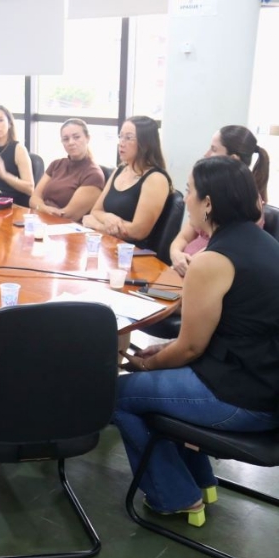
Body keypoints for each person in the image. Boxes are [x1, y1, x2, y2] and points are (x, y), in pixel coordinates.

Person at [117, 156, 279, 520]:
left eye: (189, 190)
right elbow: (225, 331)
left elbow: (191, 347)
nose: (185, 198)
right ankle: (202, 480)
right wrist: (164, 353)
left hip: (245, 398)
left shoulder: (213, 260)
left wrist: (149, 364)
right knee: (155, 382)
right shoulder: (262, 242)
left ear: (208, 203)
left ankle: (174, 496)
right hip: (263, 382)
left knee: (118, 395)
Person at [169, 125, 271, 276]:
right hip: (186, 270)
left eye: (214, 149)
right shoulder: (211, 193)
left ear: (233, 159)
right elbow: (184, 236)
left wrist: (189, 265)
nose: (206, 154)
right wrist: (176, 255)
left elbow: (224, 247)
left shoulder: (247, 202)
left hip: (205, 273)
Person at [83, 115, 172, 249]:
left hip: (134, 252)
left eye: (129, 138)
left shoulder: (156, 179)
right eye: (121, 136)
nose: (121, 143)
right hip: (109, 246)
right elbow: (96, 211)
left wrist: (97, 225)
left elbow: (138, 231)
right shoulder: (120, 170)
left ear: (145, 143)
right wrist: (108, 217)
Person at [28, 118, 105, 222]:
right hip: (40, 220)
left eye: (76, 137)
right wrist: (44, 209)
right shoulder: (56, 164)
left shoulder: (93, 175)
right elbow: (33, 199)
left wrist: (40, 208)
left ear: (88, 138)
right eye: (66, 139)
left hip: (65, 227)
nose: (71, 142)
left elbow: (68, 216)